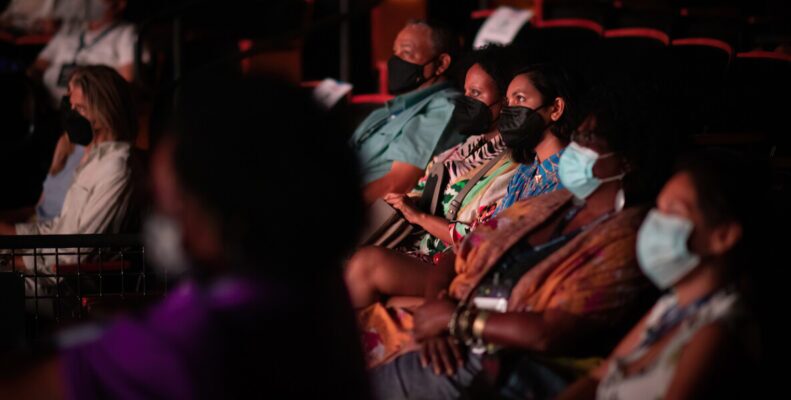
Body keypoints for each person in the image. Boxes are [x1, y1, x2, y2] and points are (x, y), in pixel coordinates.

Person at [0, 75, 372, 399]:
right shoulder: (322, 294)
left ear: (215, 212)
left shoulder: (187, 339)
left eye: (169, 203)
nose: (159, 216)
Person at [368, 80, 680, 399]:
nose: (574, 148)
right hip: (451, 328)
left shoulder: (627, 237)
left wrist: (454, 321)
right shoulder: (551, 203)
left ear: (628, 159)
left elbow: (549, 333)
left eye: (588, 139)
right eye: (577, 137)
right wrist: (437, 305)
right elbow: (459, 252)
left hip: (496, 362)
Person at [347, 63, 579, 309]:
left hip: (493, 280)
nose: (510, 109)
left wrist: (421, 218)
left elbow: (497, 245)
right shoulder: (527, 169)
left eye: (520, 99)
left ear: (556, 108)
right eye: (510, 101)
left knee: (367, 268)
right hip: (466, 265)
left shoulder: (563, 176)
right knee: (378, 295)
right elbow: (485, 237)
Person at [556, 149, 763, 400]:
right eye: (658, 209)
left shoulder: (717, 333)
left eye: (673, 212)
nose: (654, 223)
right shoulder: (671, 307)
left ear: (724, 236)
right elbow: (596, 378)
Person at [0, 65, 141, 292]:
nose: (71, 115)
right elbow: (61, 229)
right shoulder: (94, 158)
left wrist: (12, 261)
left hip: (66, 287)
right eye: (71, 107)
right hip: (47, 270)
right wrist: (13, 237)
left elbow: (79, 253)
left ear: (104, 111)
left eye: (80, 108)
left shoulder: (117, 168)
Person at [350, 19, 461, 205]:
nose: (395, 61)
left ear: (441, 63)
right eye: (395, 52)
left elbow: (397, 183)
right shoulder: (390, 110)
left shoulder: (442, 108)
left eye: (407, 53)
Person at [27, 0, 136, 103]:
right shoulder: (69, 29)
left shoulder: (126, 33)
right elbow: (38, 67)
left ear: (119, 4)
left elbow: (127, 82)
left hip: (92, 109)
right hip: (47, 105)